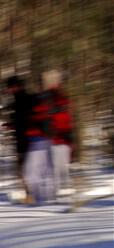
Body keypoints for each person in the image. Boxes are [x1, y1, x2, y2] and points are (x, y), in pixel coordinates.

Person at [23, 70, 73, 203]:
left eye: (43, 81)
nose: (41, 84)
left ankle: (48, 201)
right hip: (47, 139)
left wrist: (62, 134)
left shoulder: (55, 98)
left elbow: (61, 118)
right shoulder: (48, 97)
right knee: (37, 173)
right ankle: (43, 200)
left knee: (49, 173)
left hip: (53, 140)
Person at [3, 76, 35, 203]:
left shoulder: (22, 99)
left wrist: (12, 124)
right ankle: (30, 196)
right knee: (24, 169)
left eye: (9, 87)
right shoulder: (20, 99)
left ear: (15, 87)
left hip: (26, 139)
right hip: (24, 138)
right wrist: (10, 124)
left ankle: (31, 196)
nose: (8, 90)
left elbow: (23, 119)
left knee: (25, 169)